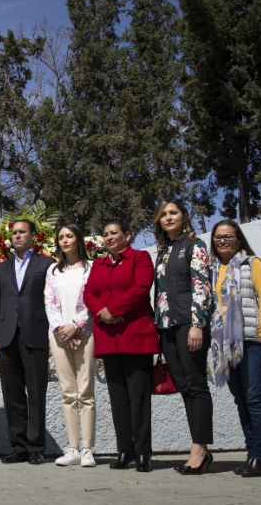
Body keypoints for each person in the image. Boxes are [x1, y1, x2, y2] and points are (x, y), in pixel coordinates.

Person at [84, 220, 157, 472]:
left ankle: (143, 452)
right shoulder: (99, 264)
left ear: (127, 235)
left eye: (114, 233)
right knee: (118, 398)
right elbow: (88, 293)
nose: (109, 237)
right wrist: (103, 314)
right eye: (105, 234)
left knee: (139, 397)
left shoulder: (141, 258)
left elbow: (141, 288)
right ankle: (125, 450)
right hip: (108, 338)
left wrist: (111, 310)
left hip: (135, 335)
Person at [209, 221, 261, 477]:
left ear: (238, 239)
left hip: (250, 341)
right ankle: (251, 453)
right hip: (225, 346)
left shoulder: (251, 263)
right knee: (241, 400)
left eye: (228, 237)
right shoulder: (212, 270)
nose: (223, 241)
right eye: (218, 237)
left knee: (255, 397)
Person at [152, 199, 214, 475]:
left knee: (196, 384)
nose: (168, 217)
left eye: (173, 212)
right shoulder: (163, 251)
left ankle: (200, 450)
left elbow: (201, 286)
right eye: (163, 214)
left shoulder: (195, 246)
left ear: (184, 216)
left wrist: (197, 324)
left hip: (189, 325)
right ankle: (198, 447)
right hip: (166, 328)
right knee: (185, 386)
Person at [0, 220, 54, 465]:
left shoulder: (47, 264)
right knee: (12, 394)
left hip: (35, 334)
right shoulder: (0, 269)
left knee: (36, 393)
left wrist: (51, 336)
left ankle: (36, 448)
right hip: (6, 338)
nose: (17, 236)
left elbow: (52, 302)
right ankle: (19, 446)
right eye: (14, 233)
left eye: (22, 232)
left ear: (33, 236)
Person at [44, 224, 96, 467]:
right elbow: (50, 304)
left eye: (70, 236)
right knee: (67, 393)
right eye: (61, 237)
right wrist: (63, 329)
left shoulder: (92, 268)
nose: (65, 240)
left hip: (85, 333)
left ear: (79, 239)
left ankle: (87, 450)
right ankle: (73, 449)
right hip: (59, 336)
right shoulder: (53, 271)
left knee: (85, 392)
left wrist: (75, 326)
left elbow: (93, 301)